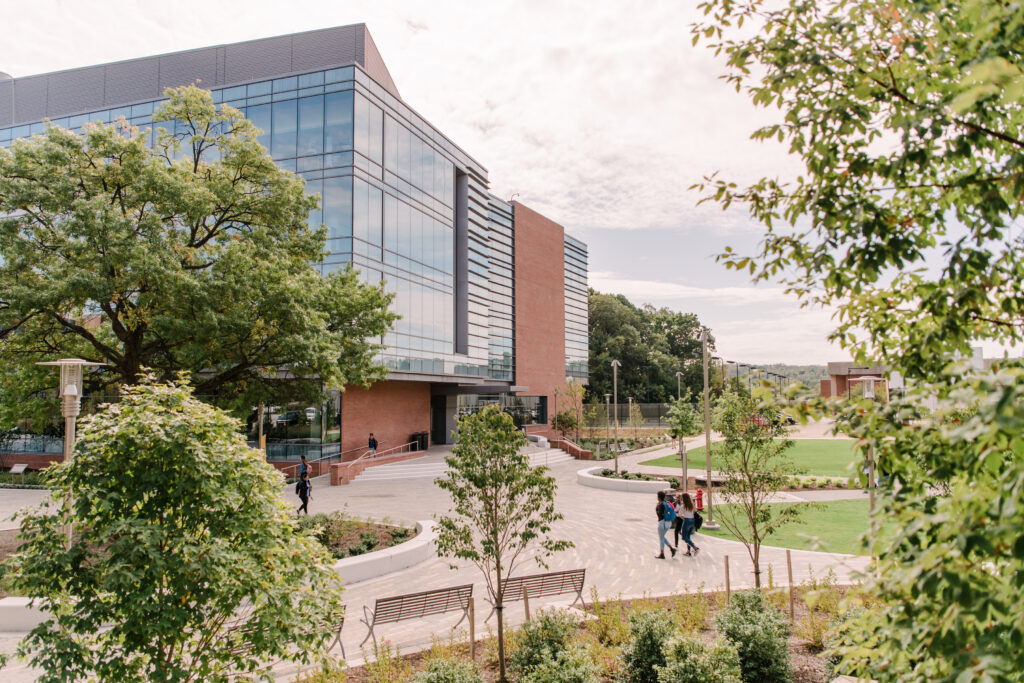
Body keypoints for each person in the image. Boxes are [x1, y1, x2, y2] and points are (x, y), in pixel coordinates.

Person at [655, 491, 677, 559]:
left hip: (662, 523)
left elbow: (659, 514)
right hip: (668, 523)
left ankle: (662, 553)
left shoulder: (660, 504)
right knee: (662, 537)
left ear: (659, 497)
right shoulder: (666, 503)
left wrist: (657, 507)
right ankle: (671, 549)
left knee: (661, 538)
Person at [678, 492, 700, 556]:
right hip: (692, 521)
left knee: (684, 537)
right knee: (688, 537)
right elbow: (695, 512)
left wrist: (683, 517)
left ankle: (695, 547)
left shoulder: (683, 506)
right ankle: (688, 551)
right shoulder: (692, 505)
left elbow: (679, 514)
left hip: (686, 521)